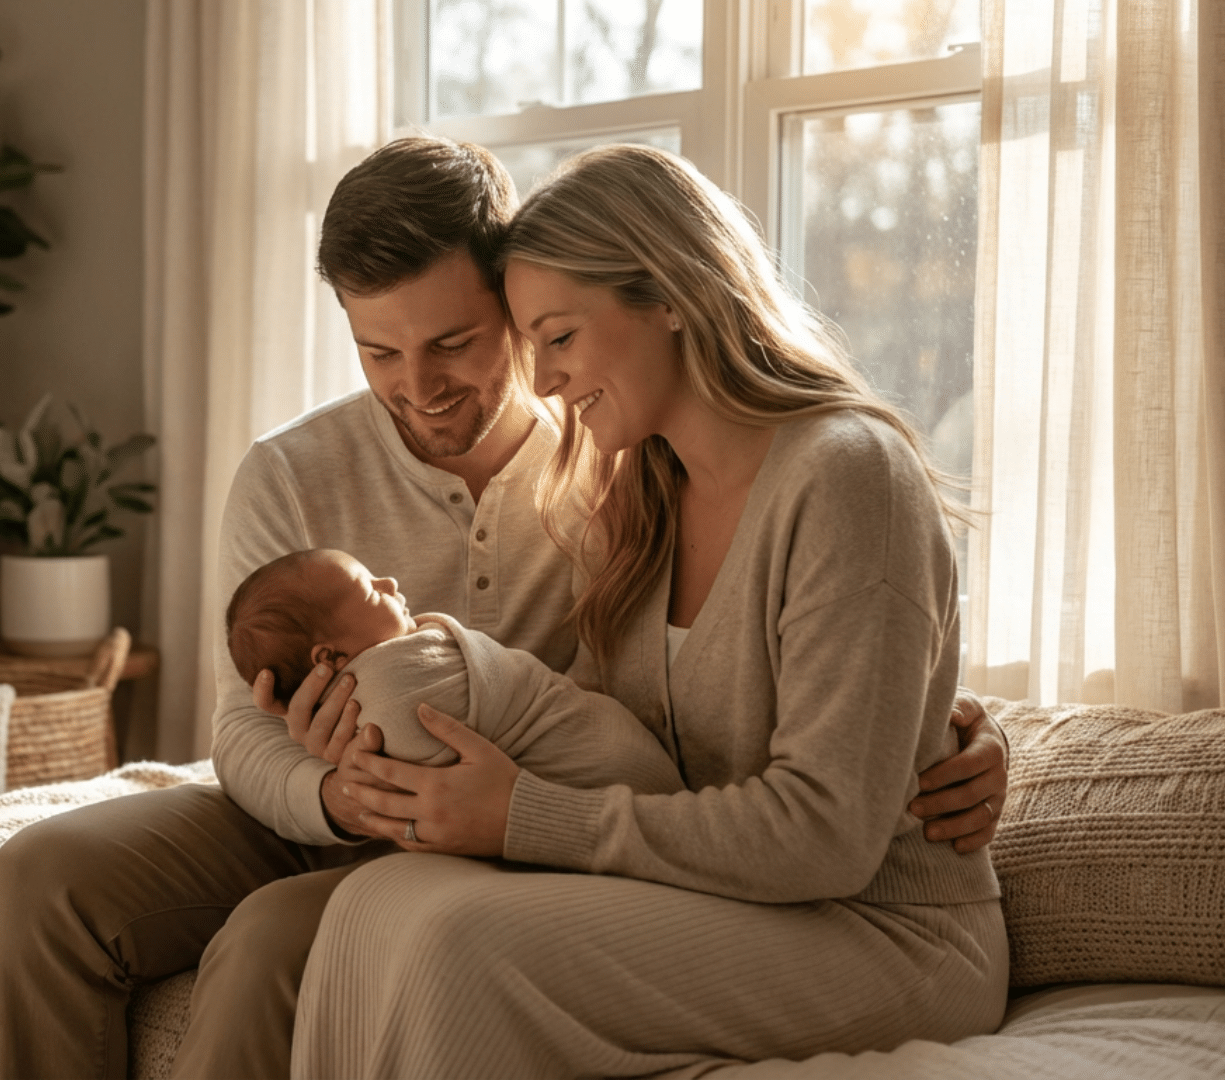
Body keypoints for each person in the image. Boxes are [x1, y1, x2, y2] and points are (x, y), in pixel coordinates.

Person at [0, 136, 1009, 1080]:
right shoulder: (642, 475)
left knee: (370, 938)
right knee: (54, 880)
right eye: (379, 352)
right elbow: (248, 729)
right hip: (388, 816)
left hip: (774, 892)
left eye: (483, 341)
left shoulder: (650, 466)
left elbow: (816, 770)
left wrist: (958, 727)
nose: (419, 387)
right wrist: (339, 794)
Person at [287, 143, 1010, 1079]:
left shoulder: (845, 473)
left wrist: (523, 820)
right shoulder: (641, 494)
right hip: (737, 902)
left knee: (460, 942)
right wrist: (391, 714)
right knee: (376, 904)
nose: (541, 382)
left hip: (886, 930)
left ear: (670, 293)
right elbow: (603, 741)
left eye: (558, 337)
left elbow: (829, 834)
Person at [227, 548, 682, 792]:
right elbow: (421, 772)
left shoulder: (394, 674)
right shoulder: (397, 682)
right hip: (612, 774)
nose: (391, 583)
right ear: (328, 659)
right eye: (371, 591)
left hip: (609, 768)